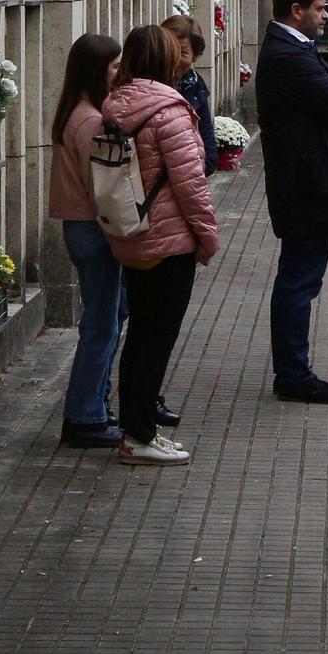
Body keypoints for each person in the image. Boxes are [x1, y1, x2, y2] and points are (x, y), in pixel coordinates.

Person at [101, 24, 220, 464]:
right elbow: (192, 186)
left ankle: (136, 429)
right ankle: (139, 437)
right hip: (169, 241)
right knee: (156, 340)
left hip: (131, 232)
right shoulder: (169, 111)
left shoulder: (115, 104)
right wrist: (206, 239)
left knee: (140, 338)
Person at [254, 0, 328, 404]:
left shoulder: (299, 48)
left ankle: (294, 370)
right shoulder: (288, 55)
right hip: (304, 187)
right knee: (299, 282)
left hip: (311, 183)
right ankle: (293, 375)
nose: (326, 15)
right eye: (320, 7)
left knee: (302, 280)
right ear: (296, 11)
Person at [49, 32, 127, 448]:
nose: (119, 74)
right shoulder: (91, 120)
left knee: (109, 315)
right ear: (97, 70)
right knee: (101, 325)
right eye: (115, 67)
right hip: (94, 228)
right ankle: (85, 415)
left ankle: (96, 400)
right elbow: (100, 184)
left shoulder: (72, 112)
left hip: (76, 225)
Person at [162, 10, 219, 176]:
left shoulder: (195, 85)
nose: (174, 56)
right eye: (170, 48)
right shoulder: (149, 85)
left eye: (183, 52)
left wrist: (198, 169)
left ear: (195, 56)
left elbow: (206, 134)